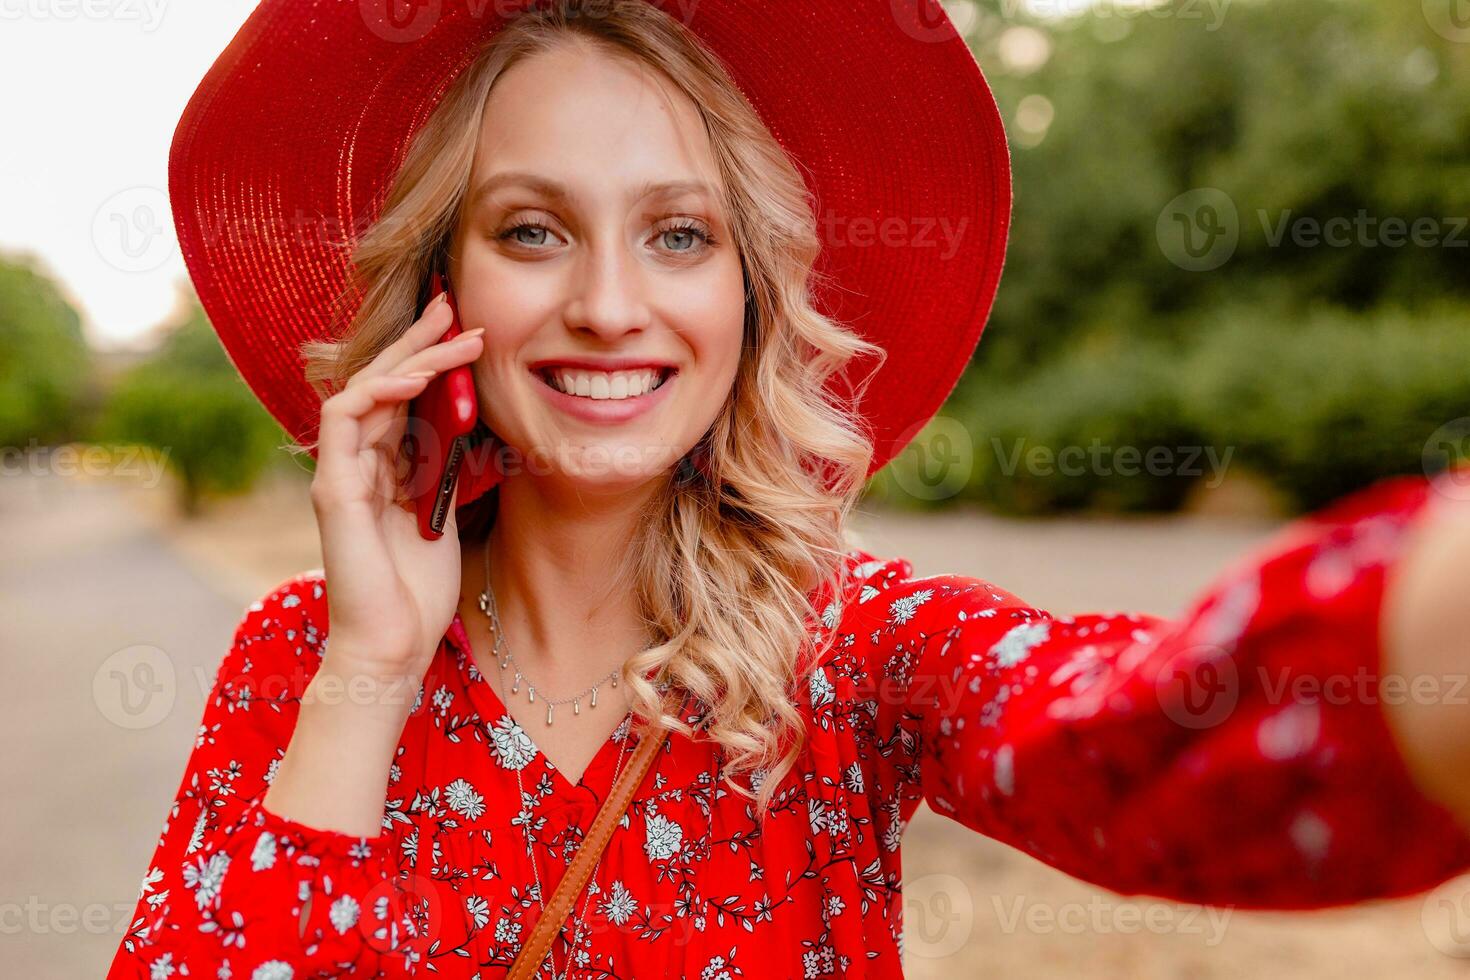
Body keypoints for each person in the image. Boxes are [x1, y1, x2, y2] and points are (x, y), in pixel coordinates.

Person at [108, 1, 1470, 977]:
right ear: (441, 296)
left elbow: (1146, 740)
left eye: (679, 234)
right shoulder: (295, 661)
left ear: (751, 301)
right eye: (532, 229)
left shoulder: (856, 650)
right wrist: (371, 663)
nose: (605, 303)